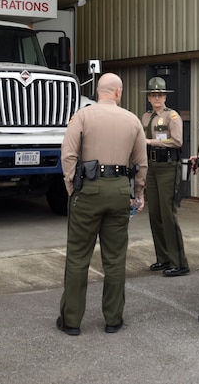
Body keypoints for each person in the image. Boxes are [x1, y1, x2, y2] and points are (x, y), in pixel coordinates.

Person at [56, 73, 148, 335]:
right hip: (119, 189)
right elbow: (141, 163)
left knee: (77, 257)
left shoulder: (82, 116)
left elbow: (69, 154)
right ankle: (113, 319)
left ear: (98, 91)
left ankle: (72, 321)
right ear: (118, 92)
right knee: (115, 258)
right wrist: (138, 193)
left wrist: (71, 186)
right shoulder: (132, 120)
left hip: (88, 190)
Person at [141, 77, 189, 277]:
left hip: (168, 166)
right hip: (152, 167)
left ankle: (179, 262)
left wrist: (152, 142)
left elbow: (177, 142)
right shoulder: (145, 117)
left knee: (168, 214)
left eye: (160, 94)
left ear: (165, 96)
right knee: (155, 214)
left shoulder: (172, 117)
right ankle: (163, 257)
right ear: (149, 97)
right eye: (153, 95)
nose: (156, 98)